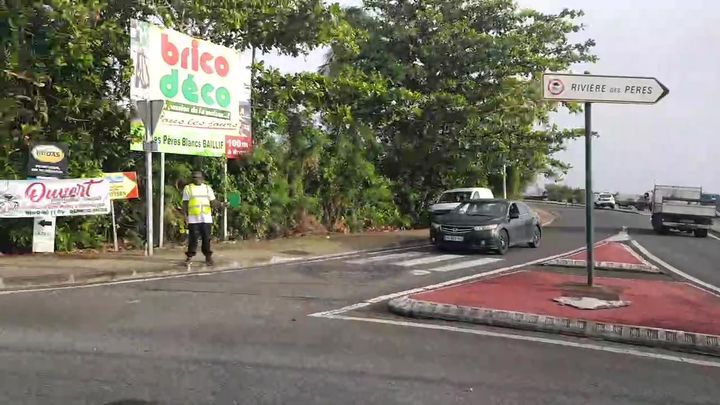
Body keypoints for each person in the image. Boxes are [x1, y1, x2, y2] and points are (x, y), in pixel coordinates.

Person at [182, 171, 225, 266]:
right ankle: (189, 257)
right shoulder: (188, 188)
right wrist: (185, 217)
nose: (195, 179)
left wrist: (221, 204)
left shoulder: (207, 188)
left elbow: (212, 202)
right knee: (193, 239)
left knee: (206, 238)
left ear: (202, 178)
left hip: (206, 218)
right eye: (194, 177)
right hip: (193, 219)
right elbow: (185, 204)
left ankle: (208, 257)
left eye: (197, 177)